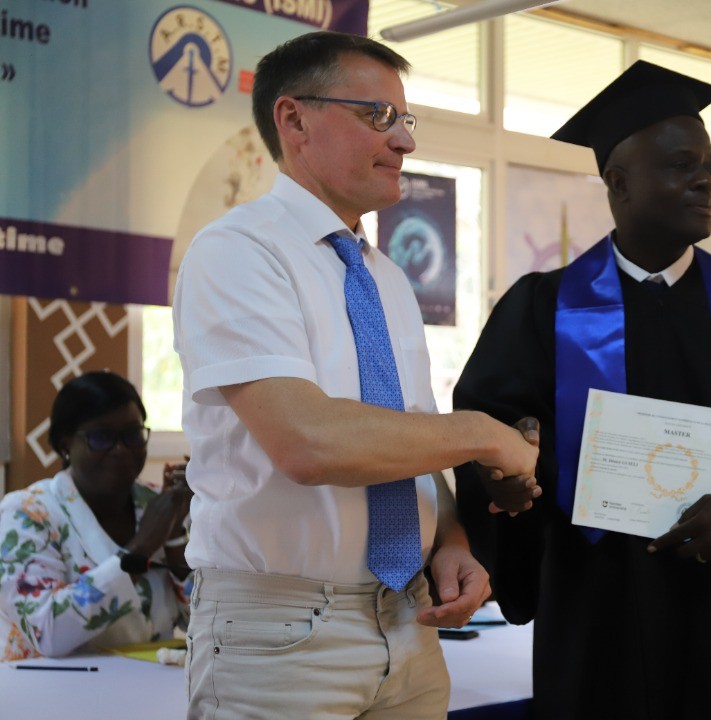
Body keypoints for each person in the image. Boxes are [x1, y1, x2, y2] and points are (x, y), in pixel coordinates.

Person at [453, 61, 711, 720]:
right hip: (594, 615)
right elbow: (484, 437)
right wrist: (504, 483)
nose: (708, 180)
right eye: (681, 165)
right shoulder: (543, 309)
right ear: (618, 183)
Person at [172, 31, 537, 720]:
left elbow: (409, 444)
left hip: (410, 623)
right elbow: (308, 443)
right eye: (378, 116)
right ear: (294, 120)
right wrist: (484, 434)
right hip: (282, 633)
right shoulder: (238, 253)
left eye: (406, 120)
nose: (404, 142)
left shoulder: (386, 279)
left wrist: (452, 542)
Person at [0, 371, 191, 661]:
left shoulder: (158, 504)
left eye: (132, 434)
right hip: (51, 695)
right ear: (65, 445)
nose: (120, 450)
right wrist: (140, 548)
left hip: (151, 692)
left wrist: (176, 532)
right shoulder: (27, 513)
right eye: (101, 437)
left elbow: (202, 624)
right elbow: (47, 632)